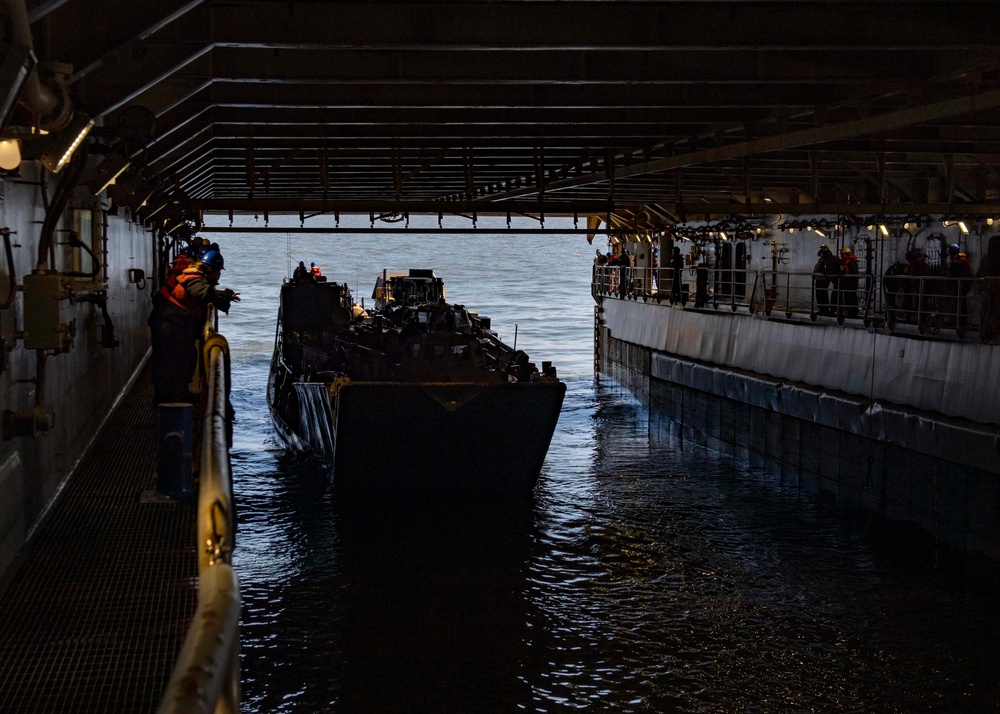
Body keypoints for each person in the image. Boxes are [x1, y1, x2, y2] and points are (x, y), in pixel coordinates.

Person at [148, 248, 240, 404]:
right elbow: (202, 293)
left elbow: (204, 291)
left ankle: (169, 394)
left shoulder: (193, 276)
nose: (219, 276)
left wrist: (223, 295)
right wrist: (222, 301)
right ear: (212, 270)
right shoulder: (196, 280)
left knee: (171, 359)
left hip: (168, 322)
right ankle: (173, 396)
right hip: (170, 324)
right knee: (181, 359)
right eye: (219, 272)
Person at [948, 243, 973, 326]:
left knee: (960, 303)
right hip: (963, 285)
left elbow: (953, 274)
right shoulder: (962, 260)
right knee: (961, 303)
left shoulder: (957, 262)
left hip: (961, 285)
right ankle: (962, 321)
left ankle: (961, 322)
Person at [812, 244, 840, 316]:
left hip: (823, 279)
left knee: (822, 294)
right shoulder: (822, 258)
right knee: (820, 294)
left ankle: (824, 309)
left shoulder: (827, 257)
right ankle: (823, 309)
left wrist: (824, 273)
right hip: (819, 278)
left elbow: (827, 266)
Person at [838, 245, 860, 318]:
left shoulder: (851, 262)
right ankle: (849, 312)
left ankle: (853, 312)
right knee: (847, 298)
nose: (841, 256)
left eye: (842, 254)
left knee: (851, 298)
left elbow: (854, 273)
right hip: (847, 283)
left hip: (851, 284)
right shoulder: (844, 262)